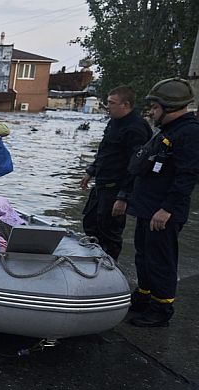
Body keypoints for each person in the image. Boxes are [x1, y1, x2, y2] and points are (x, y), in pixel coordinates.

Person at [126, 78, 199, 327]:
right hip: (149, 207)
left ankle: (161, 308)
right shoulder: (169, 131)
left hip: (162, 212)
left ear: (170, 107)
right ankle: (144, 297)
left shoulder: (189, 133)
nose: (152, 112)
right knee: (144, 255)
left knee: (160, 260)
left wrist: (167, 209)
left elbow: (187, 175)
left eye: (155, 108)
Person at [79, 86, 152, 261]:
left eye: (111, 103)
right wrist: (91, 171)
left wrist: (123, 197)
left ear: (125, 105)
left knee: (109, 232)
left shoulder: (136, 128)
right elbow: (106, 152)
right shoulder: (114, 122)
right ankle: (92, 260)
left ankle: (109, 266)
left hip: (117, 188)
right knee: (90, 223)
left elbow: (137, 166)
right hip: (102, 184)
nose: (107, 107)